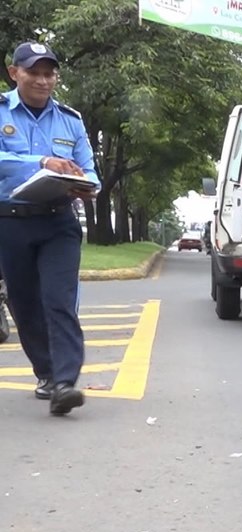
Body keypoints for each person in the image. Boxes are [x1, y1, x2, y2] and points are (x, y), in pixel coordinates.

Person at [0, 41, 99, 415]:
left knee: (59, 301)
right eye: (34, 72)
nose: (43, 81)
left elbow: (89, 168)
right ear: (15, 73)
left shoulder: (70, 120)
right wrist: (41, 162)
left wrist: (87, 185)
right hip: (10, 222)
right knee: (25, 305)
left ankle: (64, 382)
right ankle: (45, 372)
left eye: (49, 73)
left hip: (59, 221)